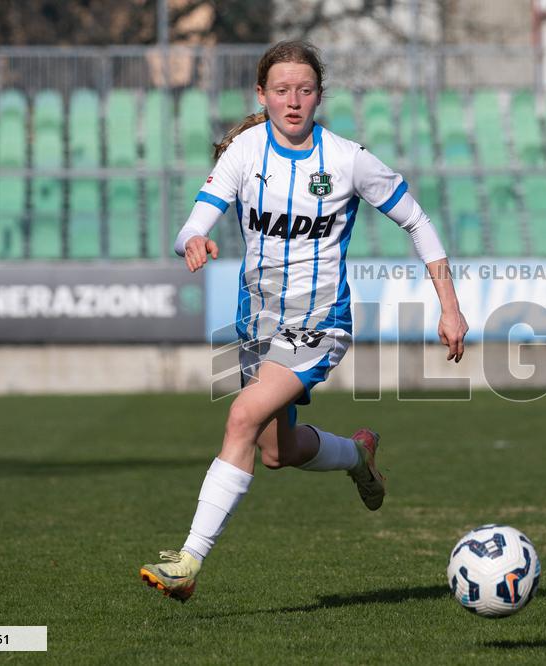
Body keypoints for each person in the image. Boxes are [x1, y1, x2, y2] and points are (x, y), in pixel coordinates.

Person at [139, 41, 469, 602]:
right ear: (262, 94)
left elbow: (418, 221)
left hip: (319, 323)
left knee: (242, 417)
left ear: (319, 95)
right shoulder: (245, 151)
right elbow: (192, 223)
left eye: (306, 90)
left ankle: (188, 561)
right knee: (275, 452)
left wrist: (450, 304)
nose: (294, 101)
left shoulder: (347, 159)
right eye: (282, 90)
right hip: (255, 325)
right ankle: (357, 455)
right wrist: (193, 239)